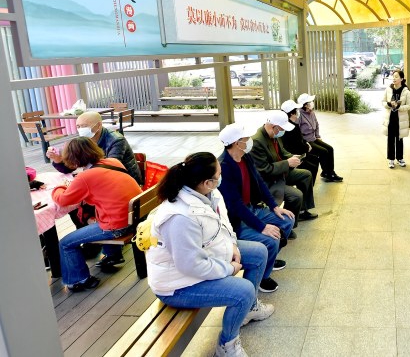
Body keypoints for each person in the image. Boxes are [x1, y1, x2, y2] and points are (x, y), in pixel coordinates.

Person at [146, 152, 273, 357]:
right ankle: (227, 345)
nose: (222, 176)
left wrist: (232, 244)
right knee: (243, 291)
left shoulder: (210, 193)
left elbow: (224, 225)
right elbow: (190, 265)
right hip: (177, 285)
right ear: (207, 182)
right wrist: (229, 269)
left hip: (206, 254)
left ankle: (249, 309)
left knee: (258, 253)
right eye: (219, 174)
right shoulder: (179, 217)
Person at [51, 137, 142, 291]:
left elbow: (63, 200)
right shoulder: (113, 162)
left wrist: (59, 187)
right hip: (135, 218)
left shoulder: (85, 177)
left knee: (65, 244)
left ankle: (79, 279)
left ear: (73, 158)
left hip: (117, 226)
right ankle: (112, 255)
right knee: (95, 217)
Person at [217, 123, 295, 294]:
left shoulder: (245, 157)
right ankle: (262, 277)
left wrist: (274, 206)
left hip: (252, 208)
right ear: (237, 142)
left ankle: (269, 260)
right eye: (246, 138)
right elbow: (235, 206)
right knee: (271, 239)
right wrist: (262, 227)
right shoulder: (224, 167)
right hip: (237, 220)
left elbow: (258, 181)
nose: (249, 141)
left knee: (287, 220)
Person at [250, 112, 316, 223]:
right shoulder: (257, 141)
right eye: (282, 129)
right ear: (274, 127)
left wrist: (292, 157)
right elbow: (264, 169)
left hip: (280, 172)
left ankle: (302, 210)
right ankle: (287, 223)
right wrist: (287, 163)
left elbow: (282, 152)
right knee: (296, 195)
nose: (283, 131)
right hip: (270, 180)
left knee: (306, 175)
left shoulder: (274, 135)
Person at [47, 110, 142, 185]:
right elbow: (71, 167)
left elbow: (110, 169)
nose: (81, 130)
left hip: (126, 182)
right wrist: (58, 160)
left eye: (84, 126)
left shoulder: (116, 140)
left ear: (99, 125)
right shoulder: (83, 140)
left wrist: (84, 177)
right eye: (78, 126)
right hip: (101, 179)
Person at [297, 93, 343, 182]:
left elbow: (317, 124)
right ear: (305, 105)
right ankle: (327, 173)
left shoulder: (311, 112)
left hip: (314, 138)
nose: (312, 103)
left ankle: (330, 172)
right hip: (306, 141)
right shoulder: (299, 115)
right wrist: (304, 143)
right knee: (323, 151)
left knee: (330, 149)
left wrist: (317, 136)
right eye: (310, 101)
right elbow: (297, 131)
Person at [280, 100, 319, 188]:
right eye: (296, 110)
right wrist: (307, 147)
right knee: (313, 164)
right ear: (291, 113)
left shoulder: (293, 124)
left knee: (314, 159)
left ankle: (308, 187)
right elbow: (297, 146)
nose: (298, 112)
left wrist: (306, 144)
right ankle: (305, 188)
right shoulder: (291, 127)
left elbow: (300, 139)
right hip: (295, 155)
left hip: (299, 152)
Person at [382, 69, 410, 169]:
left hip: (400, 119)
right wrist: (388, 104)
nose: (394, 78)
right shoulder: (388, 89)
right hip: (390, 118)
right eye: (393, 76)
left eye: (396, 77)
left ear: (401, 79)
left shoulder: (406, 91)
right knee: (390, 139)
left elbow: (409, 105)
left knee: (399, 139)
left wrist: (399, 107)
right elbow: (383, 102)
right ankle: (391, 159)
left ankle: (400, 158)